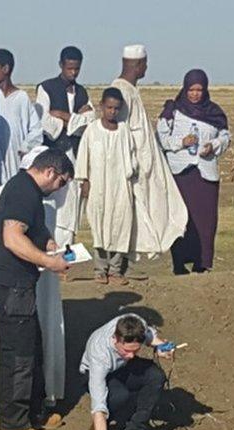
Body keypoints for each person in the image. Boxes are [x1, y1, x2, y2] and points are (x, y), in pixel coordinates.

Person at [0, 148, 71, 430]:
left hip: (19, 285)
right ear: (50, 172)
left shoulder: (26, 190)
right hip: (10, 285)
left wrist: (47, 242)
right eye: (61, 183)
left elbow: (31, 228)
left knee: (31, 347)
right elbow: (12, 237)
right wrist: (50, 262)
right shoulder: (23, 190)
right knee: (17, 355)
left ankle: (35, 411)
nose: (59, 190)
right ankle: (13, 424)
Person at [111, 45, 188, 259]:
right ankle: (116, 266)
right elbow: (122, 132)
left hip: (145, 162)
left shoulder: (131, 90)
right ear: (138, 65)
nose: (146, 68)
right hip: (134, 165)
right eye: (145, 64)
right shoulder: (122, 91)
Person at [157, 69, 231, 275]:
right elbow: (161, 137)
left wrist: (213, 145)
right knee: (181, 218)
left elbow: (225, 136)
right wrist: (181, 142)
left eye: (200, 90)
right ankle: (179, 263)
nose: (195, 94)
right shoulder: (173, 110)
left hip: (205, 175)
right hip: (180, 173)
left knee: (205, 221)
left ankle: (202, 263)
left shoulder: (214, 112)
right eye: (192, 89)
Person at [81, 314, 174, 430]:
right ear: (116, 339)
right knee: (119, 395)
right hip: (98, 374)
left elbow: (151, 338)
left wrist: (162, 348)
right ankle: (101, 426)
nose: (131, 355)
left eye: (136, 351)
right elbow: (99, 405)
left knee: (156, 377)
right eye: (126, 350)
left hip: (122, 367)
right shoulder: (100, 354)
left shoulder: (138, 324)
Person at [74, 88, 138, 285]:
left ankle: (116, 270)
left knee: (121, 224)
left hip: (120, 186)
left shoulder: (124, 131)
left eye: (116, 108)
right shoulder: (92, 130)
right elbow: (84, 156)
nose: (112, 112)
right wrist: (84, 180)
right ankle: (100, 269)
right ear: (101, 106)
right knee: (99, 226)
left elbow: (132, 158)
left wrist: (130, 173)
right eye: (109, 107)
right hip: (98, 186)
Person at [35, 46, 94, 243]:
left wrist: (62, 115)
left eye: (77, 69)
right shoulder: (45, 88)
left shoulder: (83, 92)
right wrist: (75, 120)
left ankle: (66, 258)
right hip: (53, 156)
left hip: (76, 157)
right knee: (52, 207)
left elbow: (90, 122)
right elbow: (45, 123)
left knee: (71, 212)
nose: (73, 73)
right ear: (61, 65)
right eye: (70, 68)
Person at [0, 48, 42, 183]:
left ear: (5, 69)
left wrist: (26, 148)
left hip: (16, 159)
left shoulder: (21, 98)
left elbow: (35, 129)